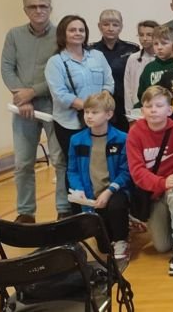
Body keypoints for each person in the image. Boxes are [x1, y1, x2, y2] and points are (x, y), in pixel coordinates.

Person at [1, 0, 63, 223]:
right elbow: (7, 67)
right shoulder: (14, 35)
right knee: (23, 163)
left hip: (54, 105)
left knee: (60, 160)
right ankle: (26, 212)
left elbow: (62, 72)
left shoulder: (60, 35)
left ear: (50, 8)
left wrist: (34, 91)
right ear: (25, 10)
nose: (38, 10)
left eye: (43, 6)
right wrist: (23, 96)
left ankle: (64, 208)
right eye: (33, 6)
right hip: (23, 108)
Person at [44, 15, 114, 220]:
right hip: (70, 123)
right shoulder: (56, 62)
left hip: (100, 123)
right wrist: (91, 108)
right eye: (72, 30)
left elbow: (108, 82)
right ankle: (78, 214)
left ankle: (104, 210)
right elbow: (60, 94)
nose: (77, 33)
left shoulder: (97, 56)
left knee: (101, 164)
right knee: (75, 167)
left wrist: (101, 107)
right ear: (63, 34)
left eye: (81, 30)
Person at [126, 86, 173, 275]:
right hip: (154, 193)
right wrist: (161, 183)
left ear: (169, 110)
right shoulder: (135, 134)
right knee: (162, 246)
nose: (153, 110)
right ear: (142, 110)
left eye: (159, 105)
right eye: (148, 106)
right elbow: (137, 171)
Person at [66, 92, 131, 260]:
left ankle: (121, 239)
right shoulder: (76, 140)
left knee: (117, 206)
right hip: (91, 195)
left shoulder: (122, 138)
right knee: (104, 247)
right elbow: (72, 170)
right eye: (86, 112)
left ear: (108, 114)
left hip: (114, 191)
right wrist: (79, 190)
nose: (89, 116)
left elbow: (126, 171)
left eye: (94, 112)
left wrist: (109, 191)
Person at [91, 10, 140, 132]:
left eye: (115, 24)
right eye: (106, 24)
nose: (110, 28)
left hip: (124, 103)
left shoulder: (132, 49)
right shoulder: (90, 50)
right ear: (99, 26)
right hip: (100, 103)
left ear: (121, 26)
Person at [123, 20, 160, 118]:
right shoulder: (133, 58)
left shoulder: (163, 60)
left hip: (159, 110)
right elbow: (128, 89)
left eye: (149, 35)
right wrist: (130, 114)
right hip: (138, 111)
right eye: (141, 35)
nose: (144, 38)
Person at [135, 26, 173, 108]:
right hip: (153, 110)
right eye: (156, 44)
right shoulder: (149, 68)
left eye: (164, 43)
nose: (159, 47)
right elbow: (142, 95)